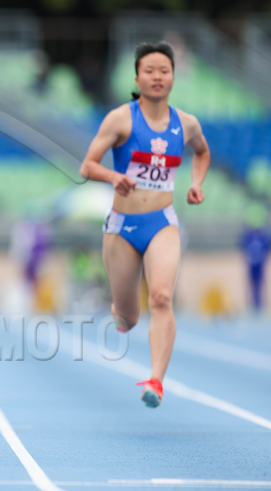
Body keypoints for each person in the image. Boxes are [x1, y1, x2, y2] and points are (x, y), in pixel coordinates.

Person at [80, 42, 210, 408]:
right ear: (137, 79)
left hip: (162, 222)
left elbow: (202, 152)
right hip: (121, 227)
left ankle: (155, 381)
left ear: (173, 77)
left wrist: (196, 182)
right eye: (149, 71)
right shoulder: (120, 119)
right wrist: (113, 176)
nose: (157, 77)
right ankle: (120, 312)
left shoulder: (187, 124)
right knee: (128, 318)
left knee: (162, 298)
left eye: (164, 71)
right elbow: (87, 165)